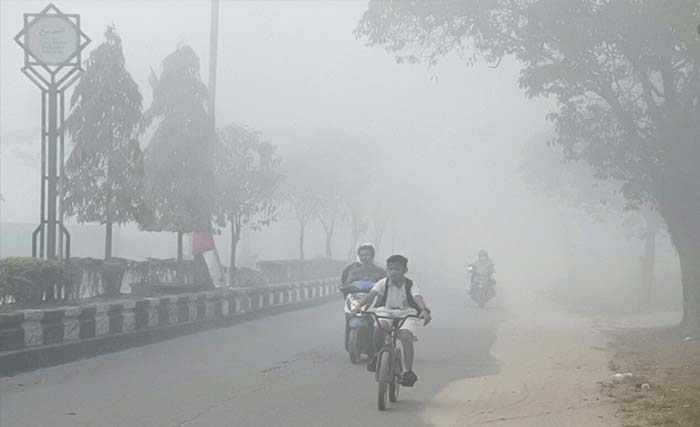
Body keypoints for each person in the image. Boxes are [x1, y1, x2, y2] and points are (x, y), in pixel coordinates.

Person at [352, 254, 431, 387]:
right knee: (378, 327)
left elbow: (417, 297)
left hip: (407, 312)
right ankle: (377, 356)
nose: (393, 272)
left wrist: (424, 310)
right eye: (390, 269)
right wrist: (359, 307)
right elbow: (371, 295)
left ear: (404, 270)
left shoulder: (410, 284)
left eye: (397, 269)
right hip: (386, 311)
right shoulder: (383, 283)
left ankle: (408, 371)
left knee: (405, 336)